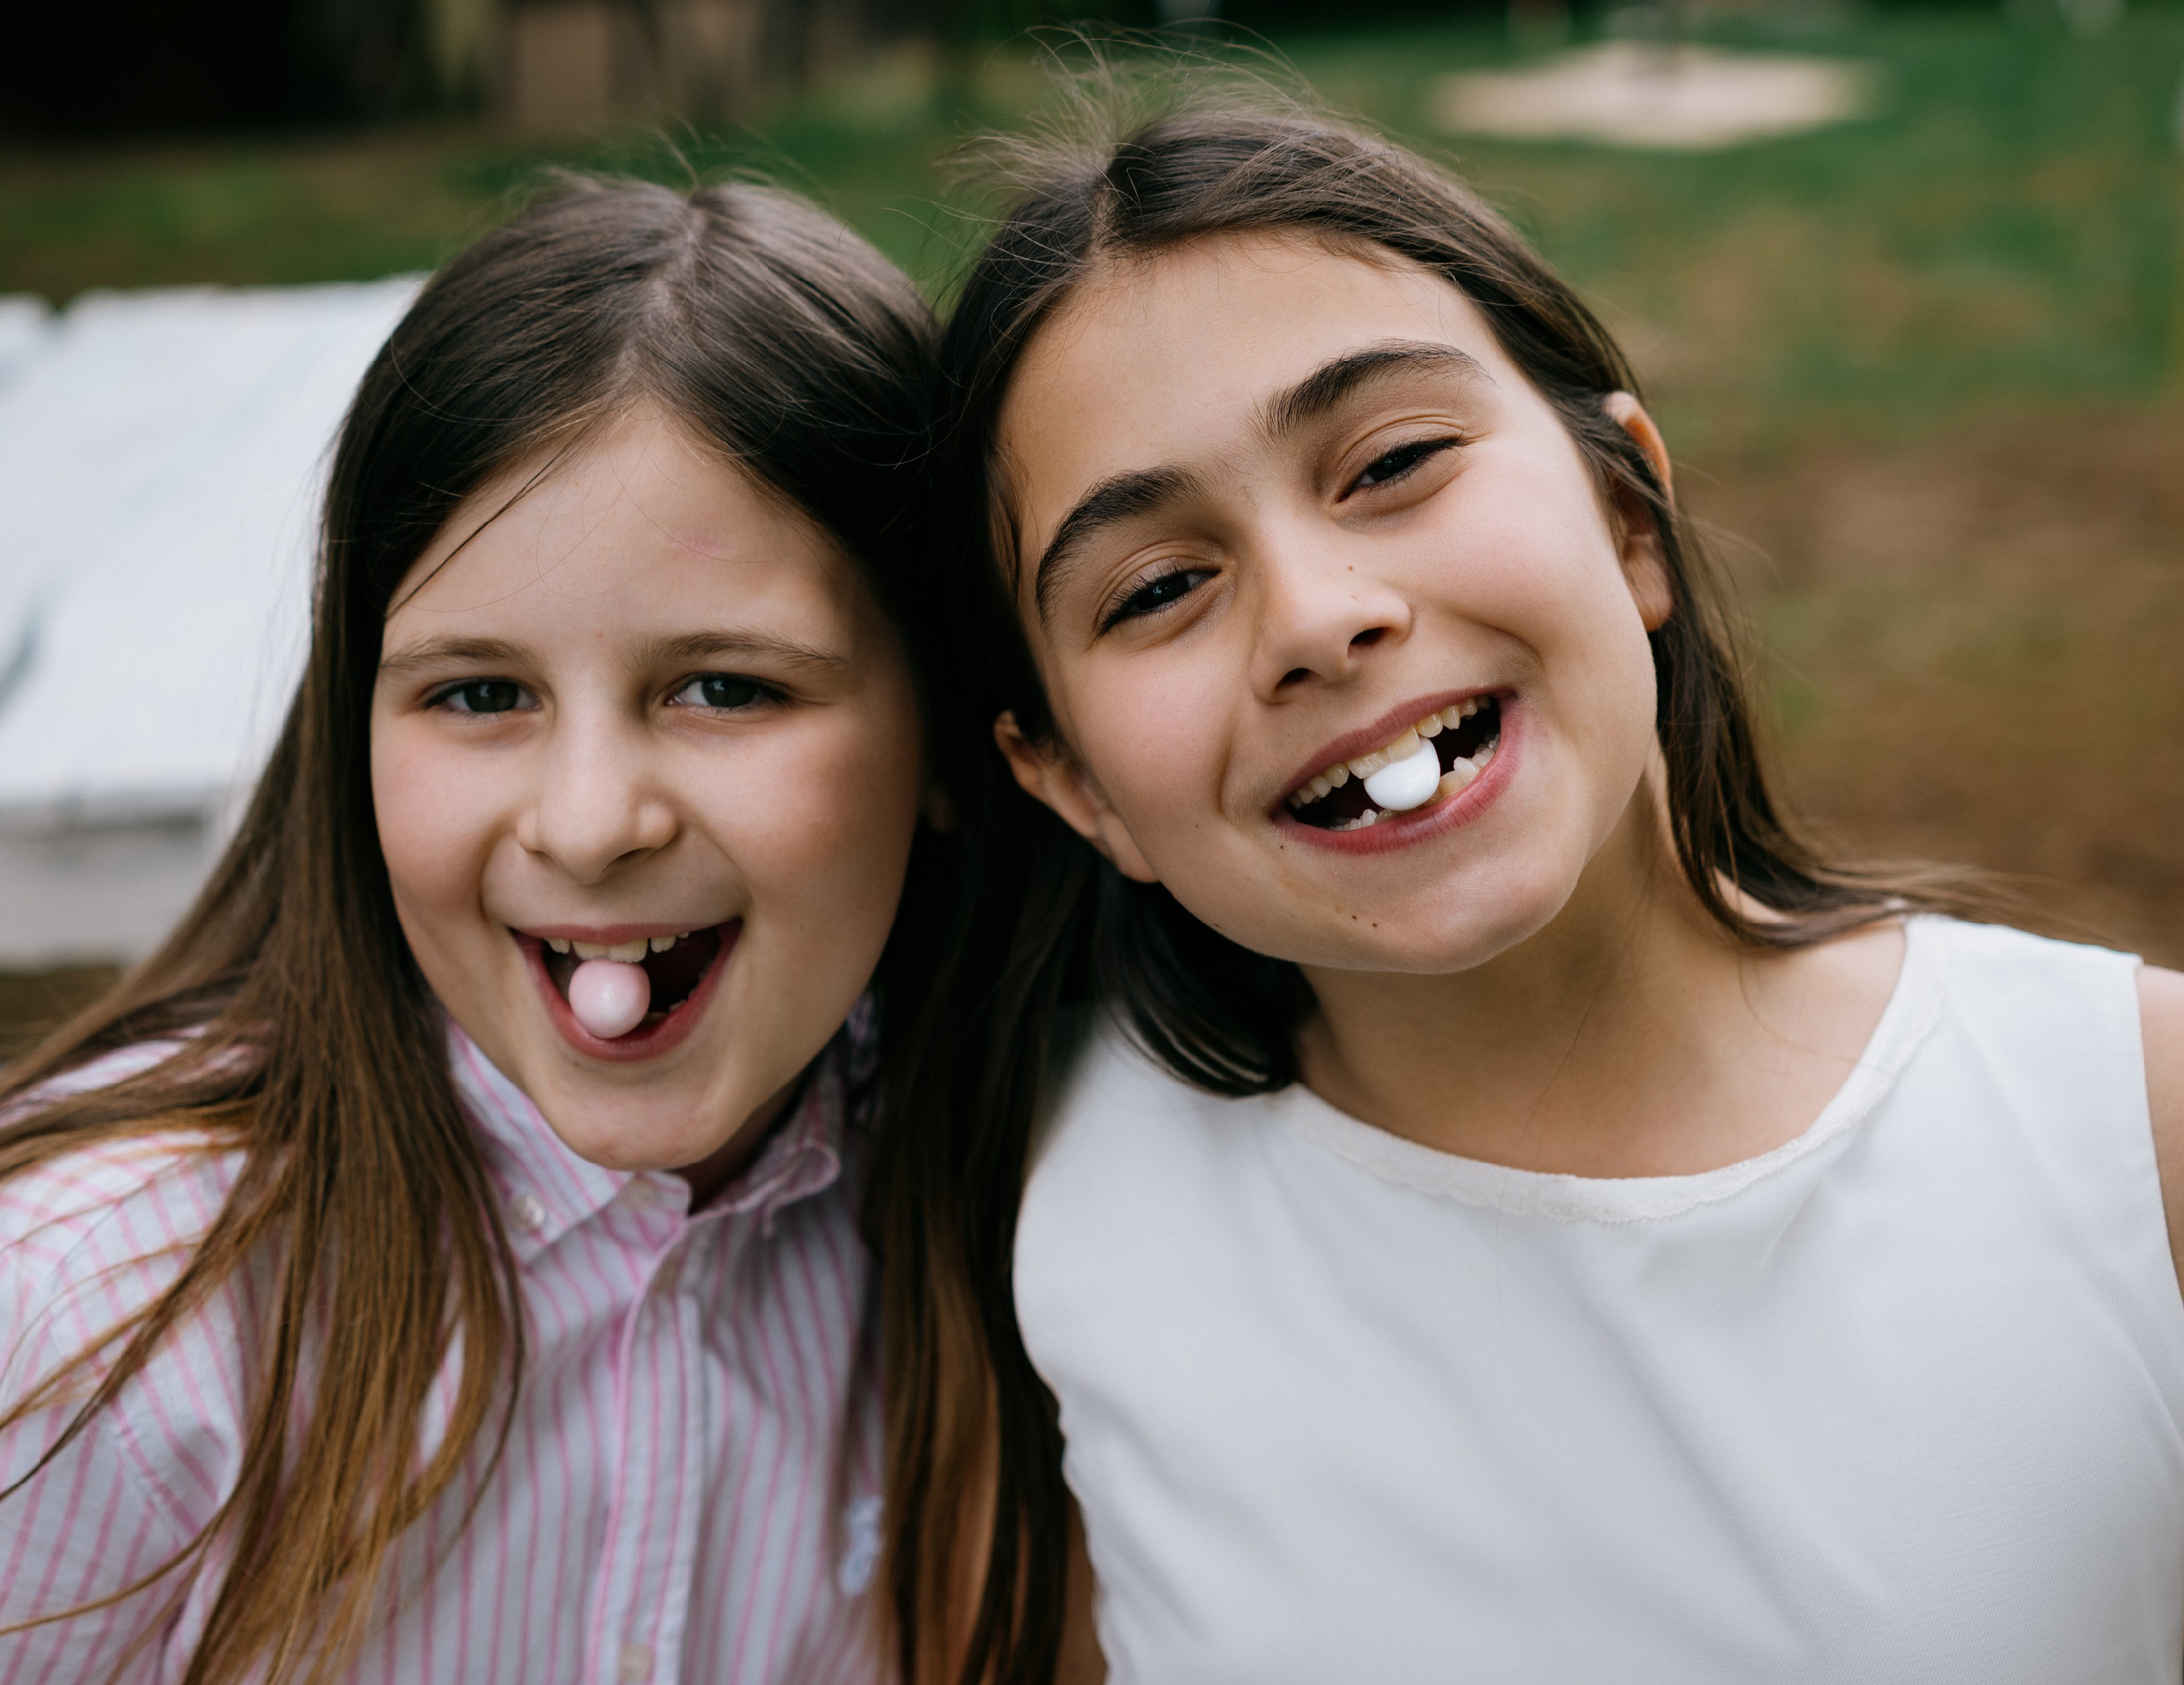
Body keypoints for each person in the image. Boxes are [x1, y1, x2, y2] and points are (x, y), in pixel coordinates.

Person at [889, 100, 2184, 1683]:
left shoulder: (2134, 1129)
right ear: (1079, 786)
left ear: (1628, 515)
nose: (1315, 613)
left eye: (1394, 462)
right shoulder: (1045, 1183)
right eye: (1158, 586)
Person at [0, 174, 962, 1685]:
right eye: (478, 693)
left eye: (725, 687)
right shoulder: (85, 1316)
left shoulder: (989, 1184)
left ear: (954, 741)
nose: (589, 822)